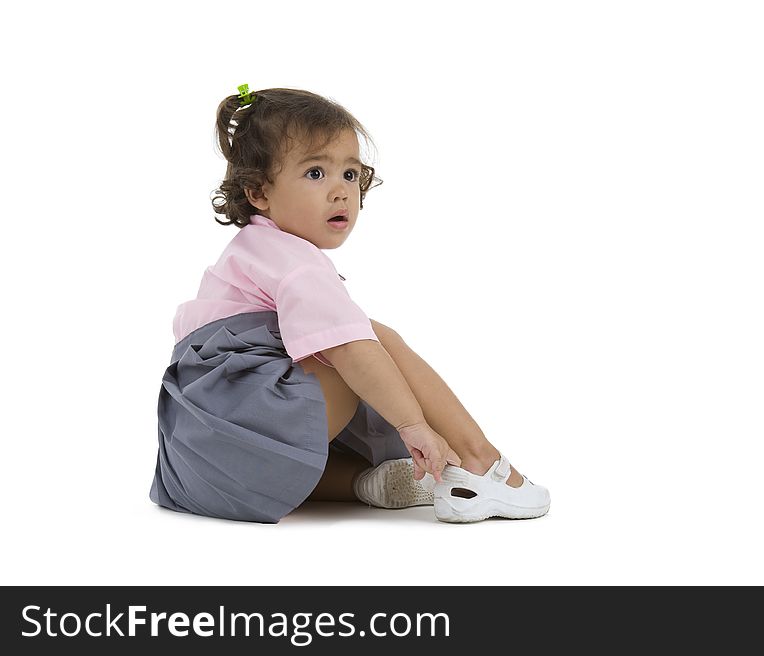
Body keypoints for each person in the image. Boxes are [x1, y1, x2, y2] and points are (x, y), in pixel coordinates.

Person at [149, 85, 550, 524]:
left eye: (351, 174)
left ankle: (359, 480)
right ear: (259, 192)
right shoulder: (298, 265)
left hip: (201, 460)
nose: (341, 192)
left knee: (323, 350)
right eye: (316, 174)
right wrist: (413, 426)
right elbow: (354, 351)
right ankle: (479, 461)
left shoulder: (247, 253)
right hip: (253, 420)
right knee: (370, 340)